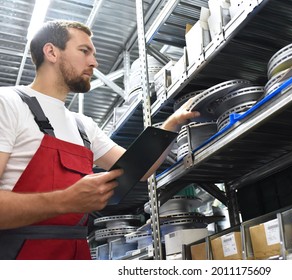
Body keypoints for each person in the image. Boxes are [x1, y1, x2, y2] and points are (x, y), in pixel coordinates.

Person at [0, 20, 199, 260]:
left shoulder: (83, 125)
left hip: (77, 254)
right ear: (51, 52)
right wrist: (65, 200)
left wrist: (169, 126)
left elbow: (140, 170)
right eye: (84, 51)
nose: (94, 62)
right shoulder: (8, 103)